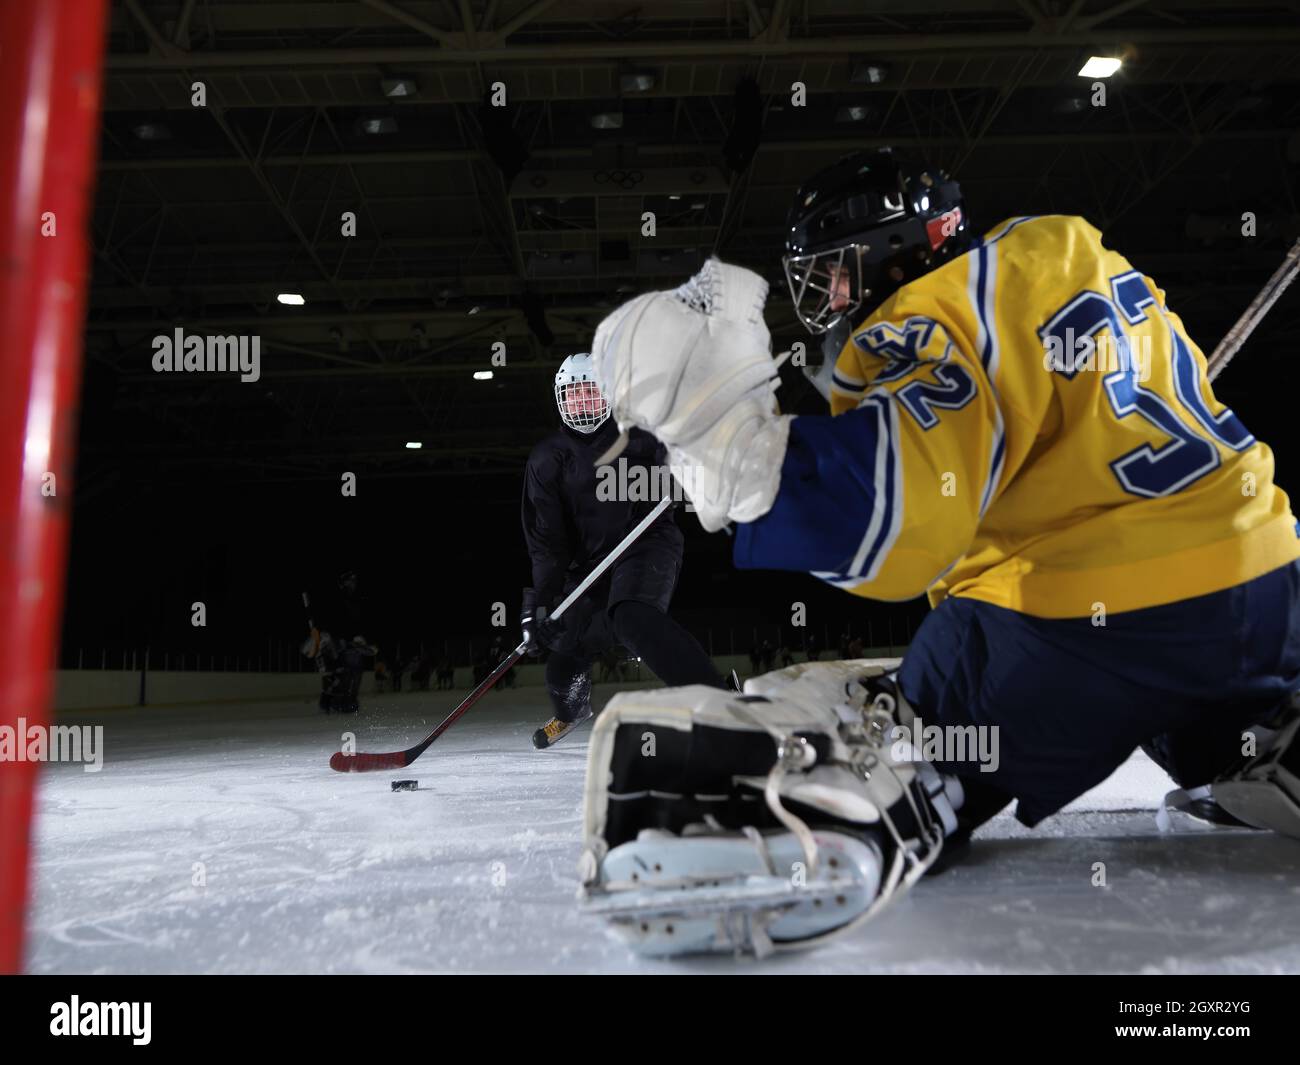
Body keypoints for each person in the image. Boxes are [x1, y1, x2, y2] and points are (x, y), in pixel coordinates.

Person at [582, 149, 1300, 954]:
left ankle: (824, 819)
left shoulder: (926, 312)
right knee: (1198, 704)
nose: (833, 300)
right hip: (1267, 580)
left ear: (900, 246)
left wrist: (742, 455)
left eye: (837, 274)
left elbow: (906, 519)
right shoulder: (1065, 246)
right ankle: (1263, 729)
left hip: (1090, 623)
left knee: (913, 715)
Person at [520, 352, 725, 749]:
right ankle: (571, 711)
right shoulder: (547, 460)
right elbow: (547, 543)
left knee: (632, 617)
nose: (582, 404)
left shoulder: (642, 438)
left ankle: (718, 699)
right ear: (561, 400)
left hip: (645, 543)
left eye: (591, 394)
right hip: (589, 564)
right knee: (564, 635)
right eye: (573, 395)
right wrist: (541, 603)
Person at [301, 570, 376, 713]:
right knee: (338, 672)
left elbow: (359, 622)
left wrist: (360, 639)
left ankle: (347, 701)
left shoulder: (356, 601)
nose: (352, 584)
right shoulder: (336, 600)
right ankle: (333, 701)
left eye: (354, 581)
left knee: (353, 672)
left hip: (351, 643)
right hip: (338, 641)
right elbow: (332, 620)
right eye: (349, 581)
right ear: (343, 583)